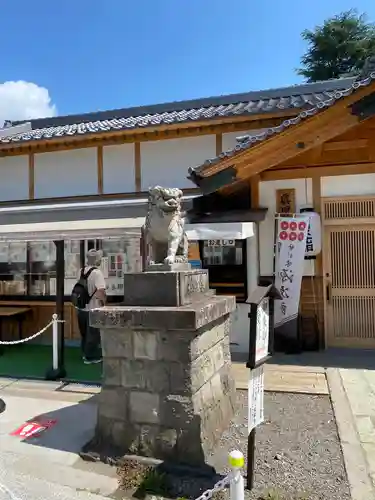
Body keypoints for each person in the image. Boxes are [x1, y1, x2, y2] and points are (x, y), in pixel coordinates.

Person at [76, 249, 106, 364]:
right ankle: (91, 357)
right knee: (93, 334)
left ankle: (85, 353)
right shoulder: (97, 273)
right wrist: (104, 304)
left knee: (84, 333)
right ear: (97, 259)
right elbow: (101, 291)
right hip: (93, 308)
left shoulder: (81, 271)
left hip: (81, 307)